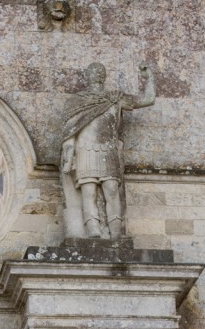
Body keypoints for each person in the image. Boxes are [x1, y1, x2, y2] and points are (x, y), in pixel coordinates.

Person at [61, 61, 155, 242]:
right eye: (92, 71)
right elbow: (70, 129)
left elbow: (147, 99)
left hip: (108, 150)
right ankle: (93, 231)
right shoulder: (76, 101)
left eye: (100, 72)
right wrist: (68, 154)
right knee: (88, 192)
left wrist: (149, 78)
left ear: (104, 77)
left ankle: (116, 232)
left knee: (111, 190)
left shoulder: (115, 98)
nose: (96, 74)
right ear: (87, 77)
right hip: (85, 149)